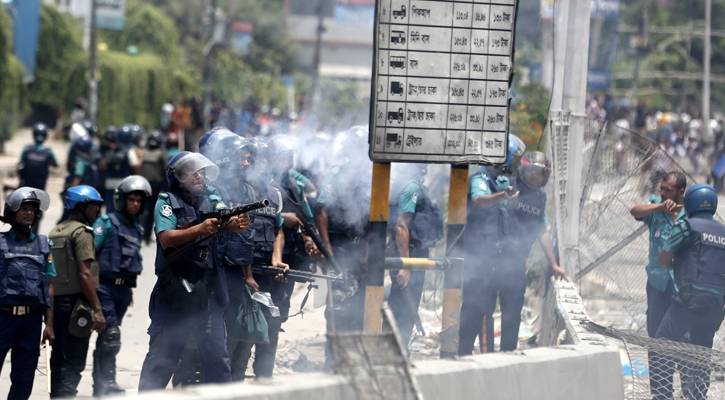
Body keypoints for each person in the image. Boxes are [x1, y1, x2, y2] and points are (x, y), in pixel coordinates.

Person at [137, 152, 249, 391]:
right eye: (191, 171)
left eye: (200, 171)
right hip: (175, 293)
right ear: (178, 178)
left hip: (207, 294)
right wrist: (199, 229)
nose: (198, 175)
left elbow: (223, 214)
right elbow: (167, 238)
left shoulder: (212, 196)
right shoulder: (166, 201)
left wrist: (234, 223)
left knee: (218, 359)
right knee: (162, 359)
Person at [475, 152, 567, 353]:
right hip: (492, 258)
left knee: (512, 314)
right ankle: (486, 356)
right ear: (523, 170)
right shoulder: (505, 185)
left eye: (540, 174)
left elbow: (541, 229)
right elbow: (482, 204)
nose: (535, 177)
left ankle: (507, 356)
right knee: (485, 310)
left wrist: (553, 264)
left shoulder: (540, 198)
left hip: (516, 264)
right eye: (532, 172)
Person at [652, 184, 725, 400]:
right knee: (702, 352)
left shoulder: (687, 226)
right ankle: (697, 396)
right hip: (715, 305)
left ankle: (663, 395)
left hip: (688, 300)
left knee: (664, 342)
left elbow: (664, 259)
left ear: (690, 204)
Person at [458, 135, 525, 355]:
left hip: (493, 256)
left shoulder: (500, 182)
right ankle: (464, 355)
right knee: (476, 309)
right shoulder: (481, 180)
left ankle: (487, 356)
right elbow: (478, 201)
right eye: (510, 156)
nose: (511, 162)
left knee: (487, 307)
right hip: (478, 256)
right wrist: (502, 197)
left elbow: (509, 189)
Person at [316, 127, 371, 366]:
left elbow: (374, 219)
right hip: (339, 245)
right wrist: (327, 248)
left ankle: (356, 358)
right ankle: (333, 359)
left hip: (363, 246)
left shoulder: (372, 176)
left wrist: (370, 251)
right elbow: (322, 211)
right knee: (338, 304)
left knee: (361, 303)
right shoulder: (336, 175)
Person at [91, 175, 151, 396]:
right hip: (104, 288)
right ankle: (107, 384)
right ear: (121, 200)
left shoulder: (136, 229)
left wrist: (128, 288)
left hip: (123, 291)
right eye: (131, 199)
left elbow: (129, 262)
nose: (135, 204)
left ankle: (100, 386)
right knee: (111, 337)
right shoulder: (106, 223)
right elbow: (90, 257)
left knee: (107, 339)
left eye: (138, 200)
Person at [236, 137, 289, 381]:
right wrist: (246, 274)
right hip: (242, 275)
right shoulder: (239, 193)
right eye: (257, 158)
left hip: (266, 274)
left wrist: (277, 259)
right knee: (244, 332)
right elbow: (239, 236)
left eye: (265, 158)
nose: (262, 164)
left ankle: (264, 380)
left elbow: (278, 231)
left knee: (271, 326)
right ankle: (233, 382)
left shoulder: (275, 195)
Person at [49, 185, 106, 398]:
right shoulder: (82, 233)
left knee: (58, 360)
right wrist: (97, 310)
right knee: (73, 362)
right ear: (80, 206)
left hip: (58, 304)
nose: (97, 211)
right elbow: (84, 274)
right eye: (93, 206)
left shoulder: (56, 232)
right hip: (77, 307)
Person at [0, 187, 54, 400]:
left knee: (24, 380)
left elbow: (49, 285)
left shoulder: (43, 245)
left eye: (32, 208)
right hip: (2, 318)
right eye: (23, 208)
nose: (29, 212)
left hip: (30, 321)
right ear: (12, 212)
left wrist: (49, 325)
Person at [386, 163, 445, 351]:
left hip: (411, 252)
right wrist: (406, 264)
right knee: (401, 309)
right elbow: (401, 225)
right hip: (409, 253)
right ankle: (394, 354)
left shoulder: (406, 184)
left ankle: (396, 351)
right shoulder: (411, 187)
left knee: (404, 308)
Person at [629, 171, 687, 338]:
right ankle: (656, 365)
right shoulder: (655, 206)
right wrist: (660, 207)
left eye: (668, 190)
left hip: (680, 284)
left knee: (679, 334)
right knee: (655, 331)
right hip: (657, 282)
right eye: (661, 189)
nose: (663, 193)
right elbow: (635, 211)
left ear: (681, 191)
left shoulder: (689, 213)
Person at [19, 124, 58, 233]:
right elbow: (55, 164)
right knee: (38, 212)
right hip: (40, 188)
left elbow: (20, 165)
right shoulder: (48, 151)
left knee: (23, 209)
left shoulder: (27, 149)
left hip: (25, 186)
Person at [103, 125, 142, 213]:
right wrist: (140, 157)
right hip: (124, 185)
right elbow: (135, 168)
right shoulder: (130, 151)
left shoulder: (111, 149)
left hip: (109, 184)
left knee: (110, 209)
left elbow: (103, 164)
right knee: (121, 210)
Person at [139, 130, 169, 244]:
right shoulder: (157, 153)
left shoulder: (144, 152)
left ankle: (145, 235)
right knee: (146, 210)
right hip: (148, 185)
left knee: (147, 210)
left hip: (150, 185)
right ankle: (144, 235)